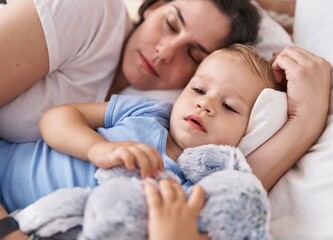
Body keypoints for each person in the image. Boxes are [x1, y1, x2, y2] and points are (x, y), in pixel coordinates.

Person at [0, 44, 280, 238]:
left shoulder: (190, 192)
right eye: (198, 89)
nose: (205, 104)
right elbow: (56, 118)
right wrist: (96, 148)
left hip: (28, 224)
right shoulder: (147, 112)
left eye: (229, 106)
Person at [0, 0, 260, 143]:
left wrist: (300, 123)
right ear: (154, 7)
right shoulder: (91, 11)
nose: (165, 52)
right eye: (170, 24)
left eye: (192, 55)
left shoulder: (156, 116)